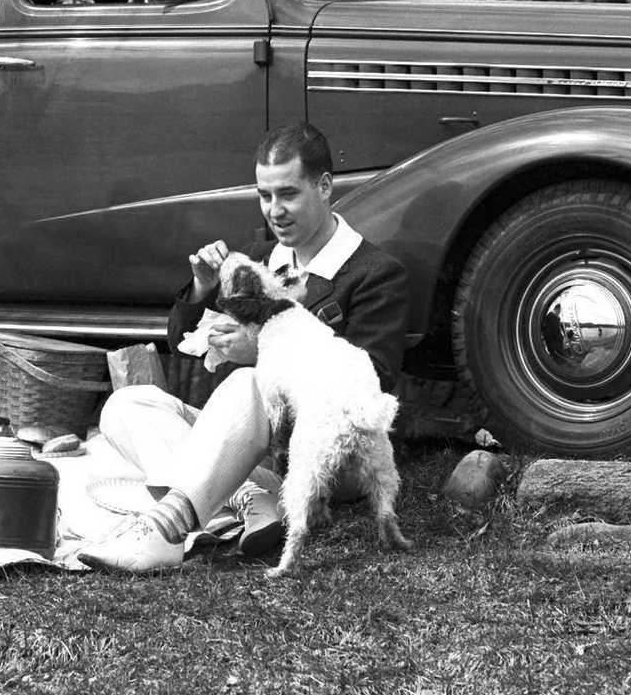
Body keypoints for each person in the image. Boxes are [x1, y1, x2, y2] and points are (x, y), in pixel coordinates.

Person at [79, 121, 411, 573]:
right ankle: (247, 498)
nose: (275, 210)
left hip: (327, 459)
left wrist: (262, 352)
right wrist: (202, 288)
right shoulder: (261, 259)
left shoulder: (375, 273)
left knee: (250, 380)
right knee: (126, 406)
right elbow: (181, 343)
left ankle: (166, 532)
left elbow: (373, 378)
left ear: (326, 186)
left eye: (288, 194)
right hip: (245, 448)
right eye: (264, 195)